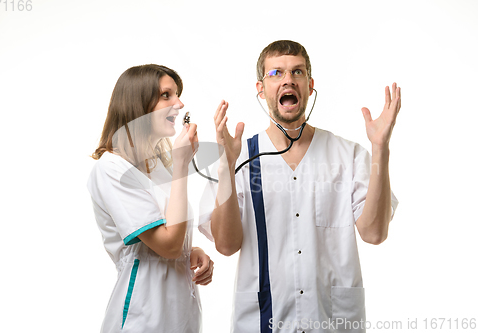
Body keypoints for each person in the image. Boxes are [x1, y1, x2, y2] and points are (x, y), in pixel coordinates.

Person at [199, 40, 400, 333]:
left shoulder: (349, 155)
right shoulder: (238, 157)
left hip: (331, 322)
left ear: (309, 84)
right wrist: (227, 168)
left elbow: (375, 233)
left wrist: (380, 148)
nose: (288, 80)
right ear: (261, 89)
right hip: (263, 321)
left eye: (297, 72)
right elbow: (226, 245)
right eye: (276, 73)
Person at [87, 64, 214, 333]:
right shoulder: (112, 168)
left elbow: (172, 243)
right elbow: (167, 246)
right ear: (139, 104)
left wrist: (191, 252)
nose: (179, 104)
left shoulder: (158, 167)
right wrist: (181, 167)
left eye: (177, 95)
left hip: (181, 316)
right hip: (143, 318)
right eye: (166, 95)